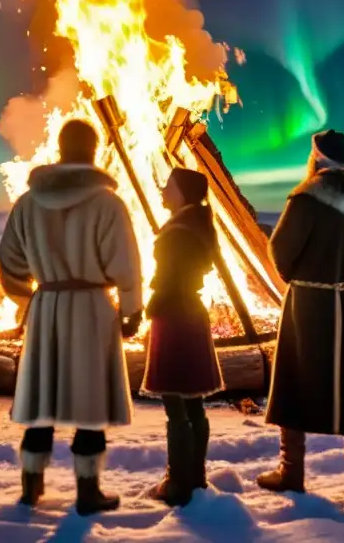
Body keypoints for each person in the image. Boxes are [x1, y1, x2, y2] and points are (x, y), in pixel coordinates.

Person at [0, 119, 143, 516]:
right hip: (92, 310)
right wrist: (131, 310)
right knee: (90, 403)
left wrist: (27, 299)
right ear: (93, 150)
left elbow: (9, 262)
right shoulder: (107, 203)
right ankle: (88, 491)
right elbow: (126, 265)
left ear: (60, 149)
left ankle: (31, 488)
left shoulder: (28, 203)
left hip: (46, 308)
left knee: (42, 401)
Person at [257, 130, 344, 501]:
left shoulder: (305, 198)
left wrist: (303, 276)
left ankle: (291, 473)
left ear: (317, 157)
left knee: (295, 381)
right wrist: (342, 274)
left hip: (308, 304)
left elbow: (280, 252)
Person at [141, 167, 224, 507]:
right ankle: (196, 474)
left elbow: (169, 278)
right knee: (193, 401)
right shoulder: (197, 224)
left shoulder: (180, 231)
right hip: (189, 311)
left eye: (169, 185)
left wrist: (150, 307)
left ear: (183, 192)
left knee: (176, 403)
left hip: (175, 315)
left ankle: (178, 482)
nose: (163, 188)